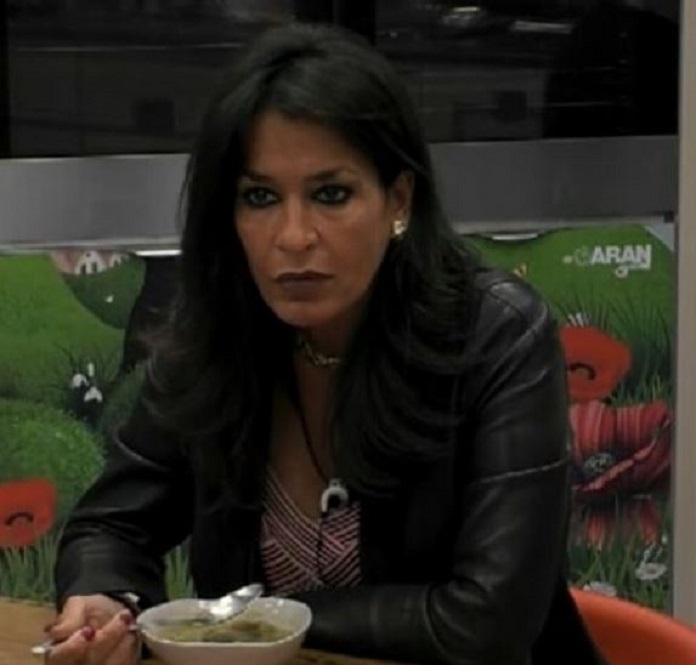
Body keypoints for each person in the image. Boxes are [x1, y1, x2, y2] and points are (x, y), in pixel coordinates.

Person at [46, 21, 608, 665]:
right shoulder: (215, 336)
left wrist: (259, 623)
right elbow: (110, 526)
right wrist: (106, 597)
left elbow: (486, 623)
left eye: (330, 194)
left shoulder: (498, 337)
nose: (293, 236)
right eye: (260, 197)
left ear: (398, 200)